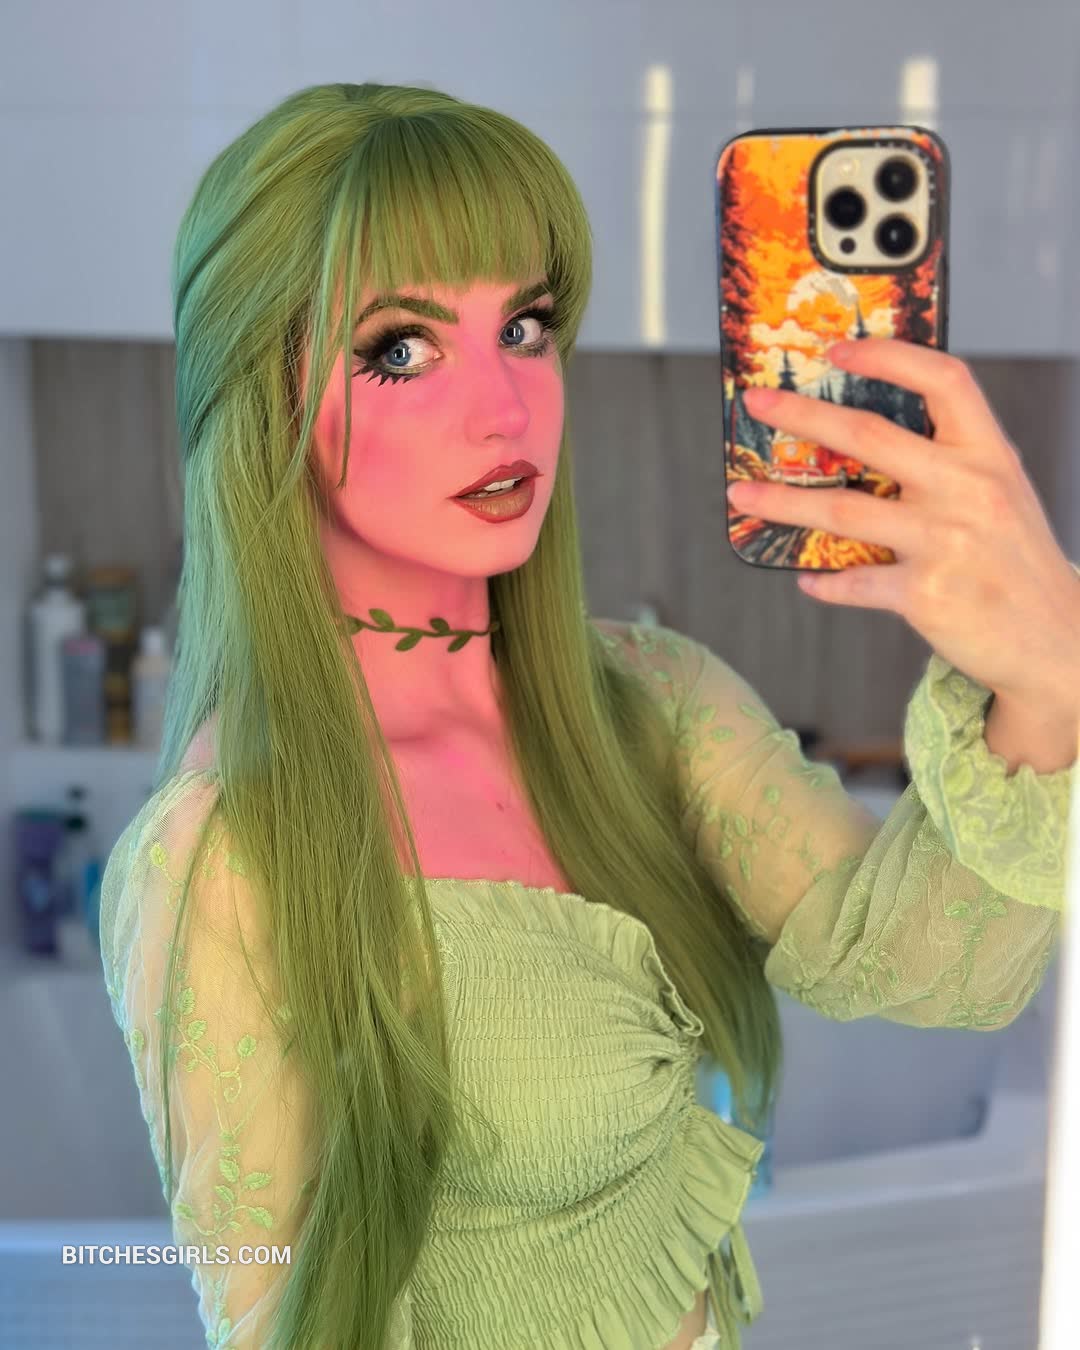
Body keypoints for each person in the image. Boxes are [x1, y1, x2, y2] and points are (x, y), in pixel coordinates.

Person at [99, 81, 1074, 1350]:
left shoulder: (654, 700)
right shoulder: (219, 857)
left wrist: (1047, 681)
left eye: (525, 326)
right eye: (401, 349)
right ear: (260, 399)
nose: (505, 409)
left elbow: (938, 969)